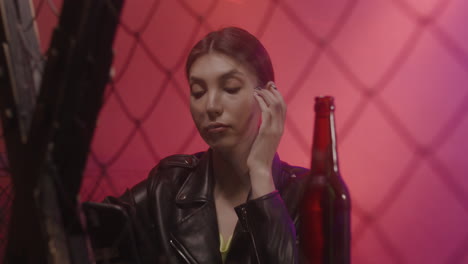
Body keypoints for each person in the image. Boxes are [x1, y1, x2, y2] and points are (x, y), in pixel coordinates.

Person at [103, 27, 308, 264]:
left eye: (230, 88)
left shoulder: (308, 195)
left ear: (269, 97)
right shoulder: (168, 185)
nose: (210, 106)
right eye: (198, 92)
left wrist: (261, 174)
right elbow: (88, 227)